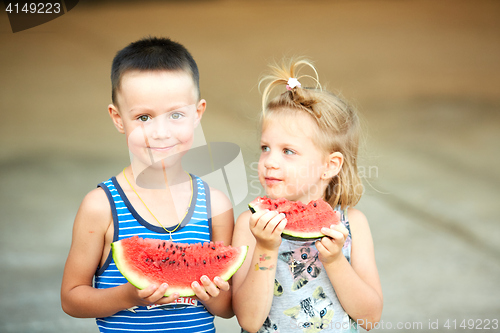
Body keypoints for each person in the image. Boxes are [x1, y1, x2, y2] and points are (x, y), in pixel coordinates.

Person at [61, 37, 234, 333]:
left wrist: (212, 292)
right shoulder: (101, 205)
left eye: (176, 115)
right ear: (118, 119)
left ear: (198, 114)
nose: (161, 132)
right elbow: (72, 298)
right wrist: (128, 296)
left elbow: (228, 309)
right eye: (144, 117)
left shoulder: (215, 204)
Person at [232, 59, 383, 332]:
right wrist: (265, 249)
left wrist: (336, 261)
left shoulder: (353, 224)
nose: (270, 161)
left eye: (288, 151)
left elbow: (369, 318)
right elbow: (249, 321)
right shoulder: (249, 225)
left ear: (330, 165)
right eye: (265, 147)